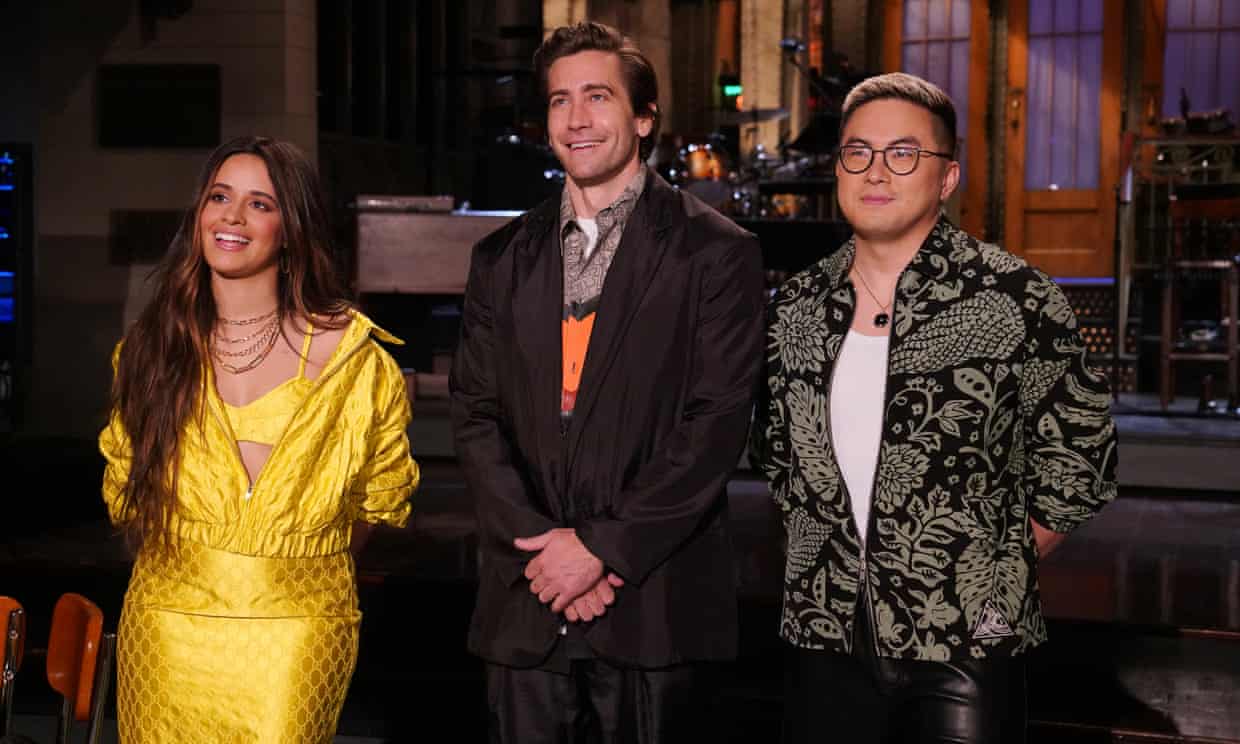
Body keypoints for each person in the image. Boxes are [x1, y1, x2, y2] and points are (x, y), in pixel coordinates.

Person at [755, 72, 1118, 743]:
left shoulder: (1015, 298)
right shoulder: (797, 308)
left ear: (947, 178)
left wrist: (992, 571)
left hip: (968, 641)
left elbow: (1079, 463)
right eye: (858, 152)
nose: (876, 171)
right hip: (824, 632)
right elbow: (778, 460)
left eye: (903, 154)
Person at [450, 21, 765, 744]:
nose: (576, 119)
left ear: (644, 117)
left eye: (597, 97)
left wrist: (599, 551)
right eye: (560, 101)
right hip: (527, 602)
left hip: (653, 599)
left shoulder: (715, 252)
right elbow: (474, 415)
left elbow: (714, 426)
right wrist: (543, 548)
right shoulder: (500, 257)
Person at [100, 136, 418, 742]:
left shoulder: (354, 360)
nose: (233, 217)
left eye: (260, 204)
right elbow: (127, 494)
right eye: (220, 196)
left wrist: (287, 561)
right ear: (199, 213)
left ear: (292, 229)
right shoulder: (150, 352)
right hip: (166, 629)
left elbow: (377, 504)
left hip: (298, 628)